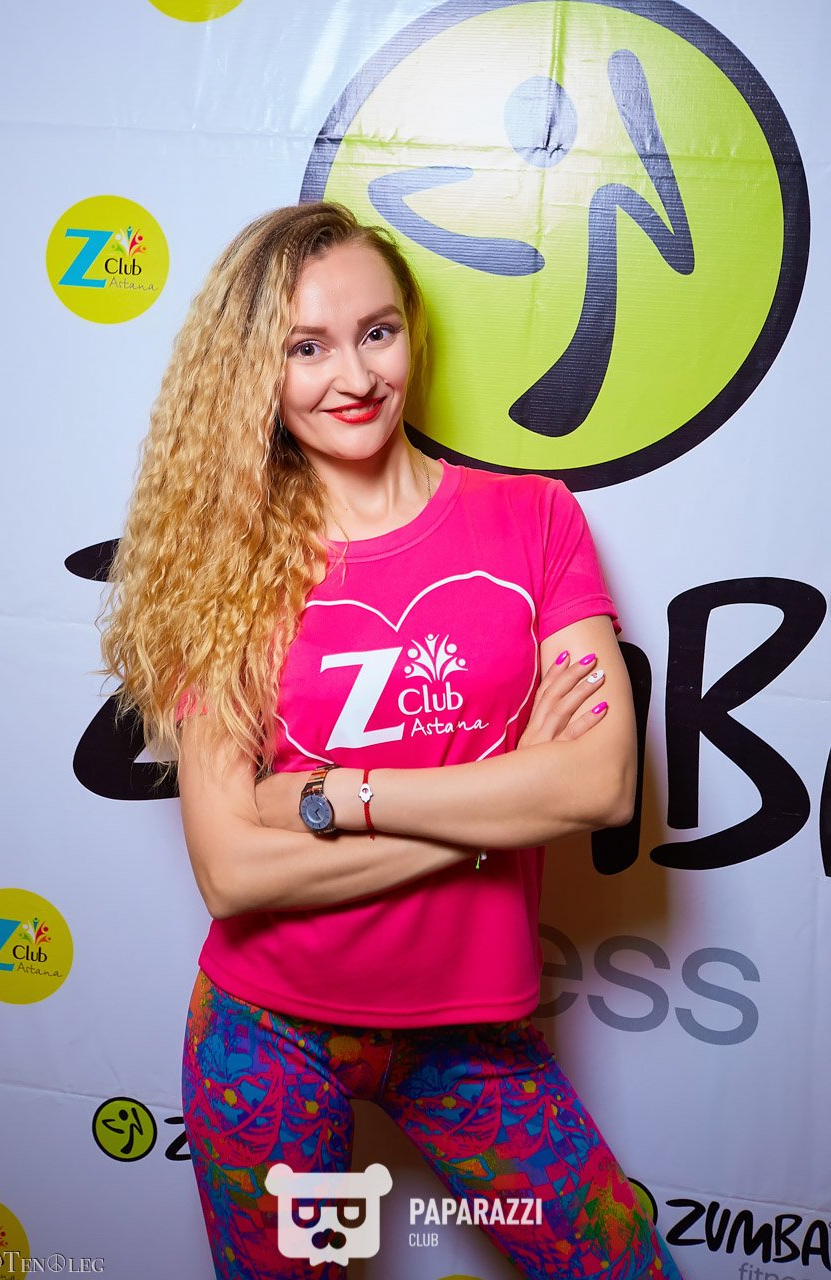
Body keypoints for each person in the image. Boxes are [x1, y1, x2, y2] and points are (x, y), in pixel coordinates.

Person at [99, 202, 682, 1280]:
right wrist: (498, 806)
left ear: (412, 330)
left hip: (476, 1035)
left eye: (378, 332)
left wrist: (333, 795)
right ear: (256, 371)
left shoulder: (535, 520)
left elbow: (599, 785)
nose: (355, 376)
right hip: (268, 1038)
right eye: (306, 348)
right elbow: (234, 871)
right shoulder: (224, 564)